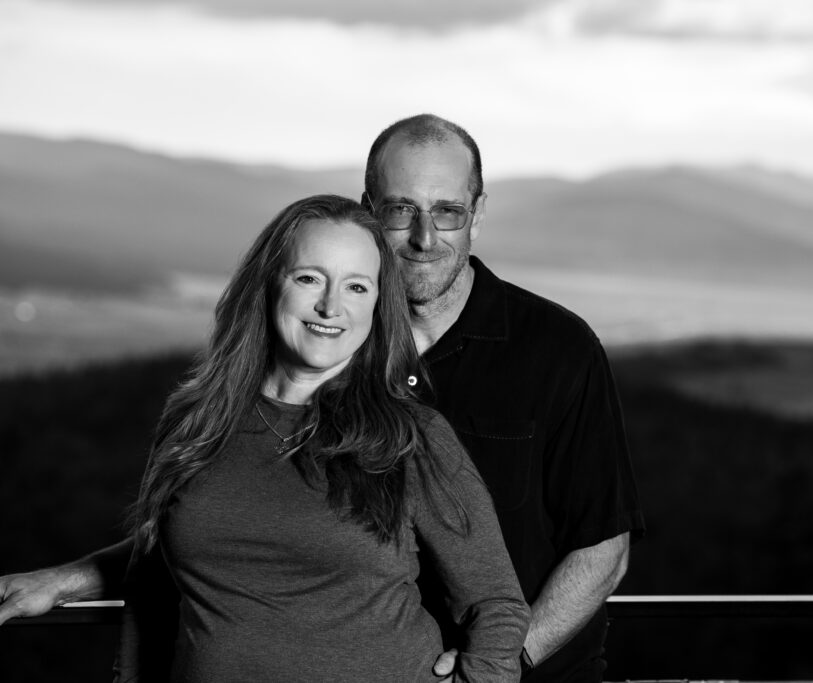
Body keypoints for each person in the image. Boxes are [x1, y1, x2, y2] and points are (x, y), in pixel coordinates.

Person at [0, 115, 644, 682]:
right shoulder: (218, 413)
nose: (424, 236)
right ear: (369, 211)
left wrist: (498, 668)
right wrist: (72, 579)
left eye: (447, 210)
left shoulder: (545, 357)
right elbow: (192, 544)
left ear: (476, 212)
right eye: (399, 210)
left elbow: (596, 550)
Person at [8, 194, 531, 682]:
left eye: (356, 286)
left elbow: (497, 605)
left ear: (377, 305)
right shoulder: (197, 419)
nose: (331, 306)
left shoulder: (411, 437)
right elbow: (161, 562)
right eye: (310, 278)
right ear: (269, 283)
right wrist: (63, 581)